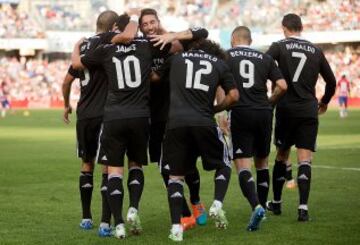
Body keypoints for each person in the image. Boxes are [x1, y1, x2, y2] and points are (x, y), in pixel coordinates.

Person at [71, 13, 170, 239]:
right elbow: (173, 46)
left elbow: (76, 64)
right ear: (135, 29)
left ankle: (119, 224)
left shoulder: (106, 49)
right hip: (140, 116)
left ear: (117, 30)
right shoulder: (146, 46)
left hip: (114, 116)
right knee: (136, 165)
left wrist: (77, 46)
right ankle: (133, 207)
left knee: (114, 171)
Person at [153, 38, 239, 241]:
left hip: (175, 124)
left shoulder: (176, 59)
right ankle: (217, 203)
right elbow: (234, 96)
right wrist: (217, 108)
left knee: (175, 177)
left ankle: (176, 227)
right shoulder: (220, 63)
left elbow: (154, 77)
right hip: (203, 121)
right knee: (224, 163)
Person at [62, 11, 138, 236]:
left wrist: (66, 104)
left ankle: (86, 218)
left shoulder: (84, 45)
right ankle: (106, 223)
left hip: (84, 115)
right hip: (106, 114)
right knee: (108, 166)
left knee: (86, 165)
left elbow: (66, 81)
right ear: (114, 26)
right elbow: (126, 37)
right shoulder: (108, 40)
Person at [139, 8, 208, 230]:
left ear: (159, 22)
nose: (150, 27)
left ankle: (196, 200)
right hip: (154, 116)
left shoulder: (173, 44)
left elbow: (202, 32)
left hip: (178, 113)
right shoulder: (140, 48)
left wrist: (173, 35)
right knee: (163, 165)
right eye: (145, 24)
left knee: (187, 163)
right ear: (140, 28)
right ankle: (184, 213)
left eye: (152, 22)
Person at [265, 13, 336, 221]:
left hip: (286, 108)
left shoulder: (279, 46)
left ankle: (276, 204)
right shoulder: (316, 50)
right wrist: (324, 102)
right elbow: (331, 82)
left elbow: (264, 64)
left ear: (284, 28)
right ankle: (303, 209)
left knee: (281, 156)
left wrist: (272, 87)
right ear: (301, 27)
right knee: (305, 159)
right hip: (308, 109)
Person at [225, 26, 287, 231]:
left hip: (240, 111)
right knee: (262, 163)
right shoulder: (265, 58)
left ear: (234, 39)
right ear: (250, 41)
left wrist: (220, 111)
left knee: (243, 165)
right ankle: (262, 206)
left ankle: (257, 206)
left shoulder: (226, 56)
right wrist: (270, 102)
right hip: (263, 112)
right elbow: (283, 86)